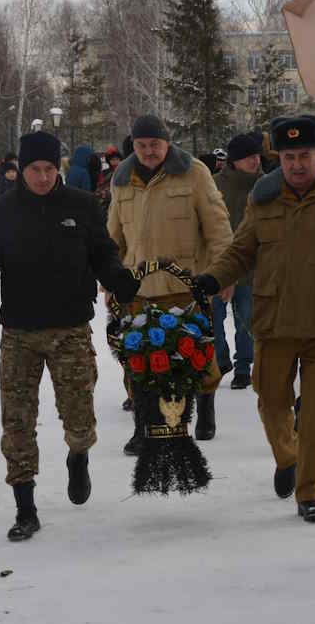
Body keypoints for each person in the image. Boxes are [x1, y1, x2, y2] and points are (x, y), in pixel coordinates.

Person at [195, 115, 315, 523]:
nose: (297, 164)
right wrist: (212, 279)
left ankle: (311, 493)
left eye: (305, 156)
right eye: (289, 156)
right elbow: (241, 252)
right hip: (274, 320)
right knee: (272, 401)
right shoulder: (262, 200)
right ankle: (287, 455)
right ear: (278, 157)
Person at [0, 131, 141, 542]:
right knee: (17, 422)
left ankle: (78, 456)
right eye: (34, 170)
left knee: (79, 415)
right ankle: (25, 507)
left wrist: (121, 283)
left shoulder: (81, 206)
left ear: (57, 168)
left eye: (48, 169)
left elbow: (103, 255)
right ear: (22, 170)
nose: (42, 178)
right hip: (20, 333)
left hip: (70, 329)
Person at [107, 114, 233, 452]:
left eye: (155, 145)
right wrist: (110, 278)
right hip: (138, 287)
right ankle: (144, 427)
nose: (148, 152)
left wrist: (223, 273)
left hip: (185, 284)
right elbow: (113, 237)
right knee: (138, 358)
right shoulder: (122, 179)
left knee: (198, 359)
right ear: (133, 145)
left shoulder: (194, 173)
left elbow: (218, 226)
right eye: (141, 145)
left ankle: (206, 399)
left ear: (168, 143)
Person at [212, 133, 263, 390]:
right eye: (248, 157)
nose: (255, 161)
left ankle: (243, 366)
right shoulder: (213, 185)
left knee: (246, 320)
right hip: (217, 265)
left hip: (252, 265)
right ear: (234, 160)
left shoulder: (266, 184)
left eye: (256, 155)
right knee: (213, 318)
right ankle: (220, 360)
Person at [95, 145, 122, 217]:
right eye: (113, 160)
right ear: (109, 161)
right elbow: (100, 187)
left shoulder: (123, 172)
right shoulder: (105, 173)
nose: (115, 162)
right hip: (106, 204)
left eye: (117, 159)